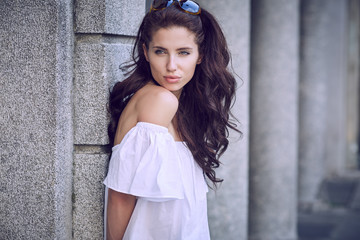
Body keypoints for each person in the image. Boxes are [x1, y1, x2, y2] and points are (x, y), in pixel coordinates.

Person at [103, 0, 241, 239]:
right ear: (145, 52)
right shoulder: (159, 101)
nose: (171, 66)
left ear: (200, 55)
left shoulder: (177, 106)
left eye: (183, 52)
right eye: (160, 51)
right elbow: (120, 197)